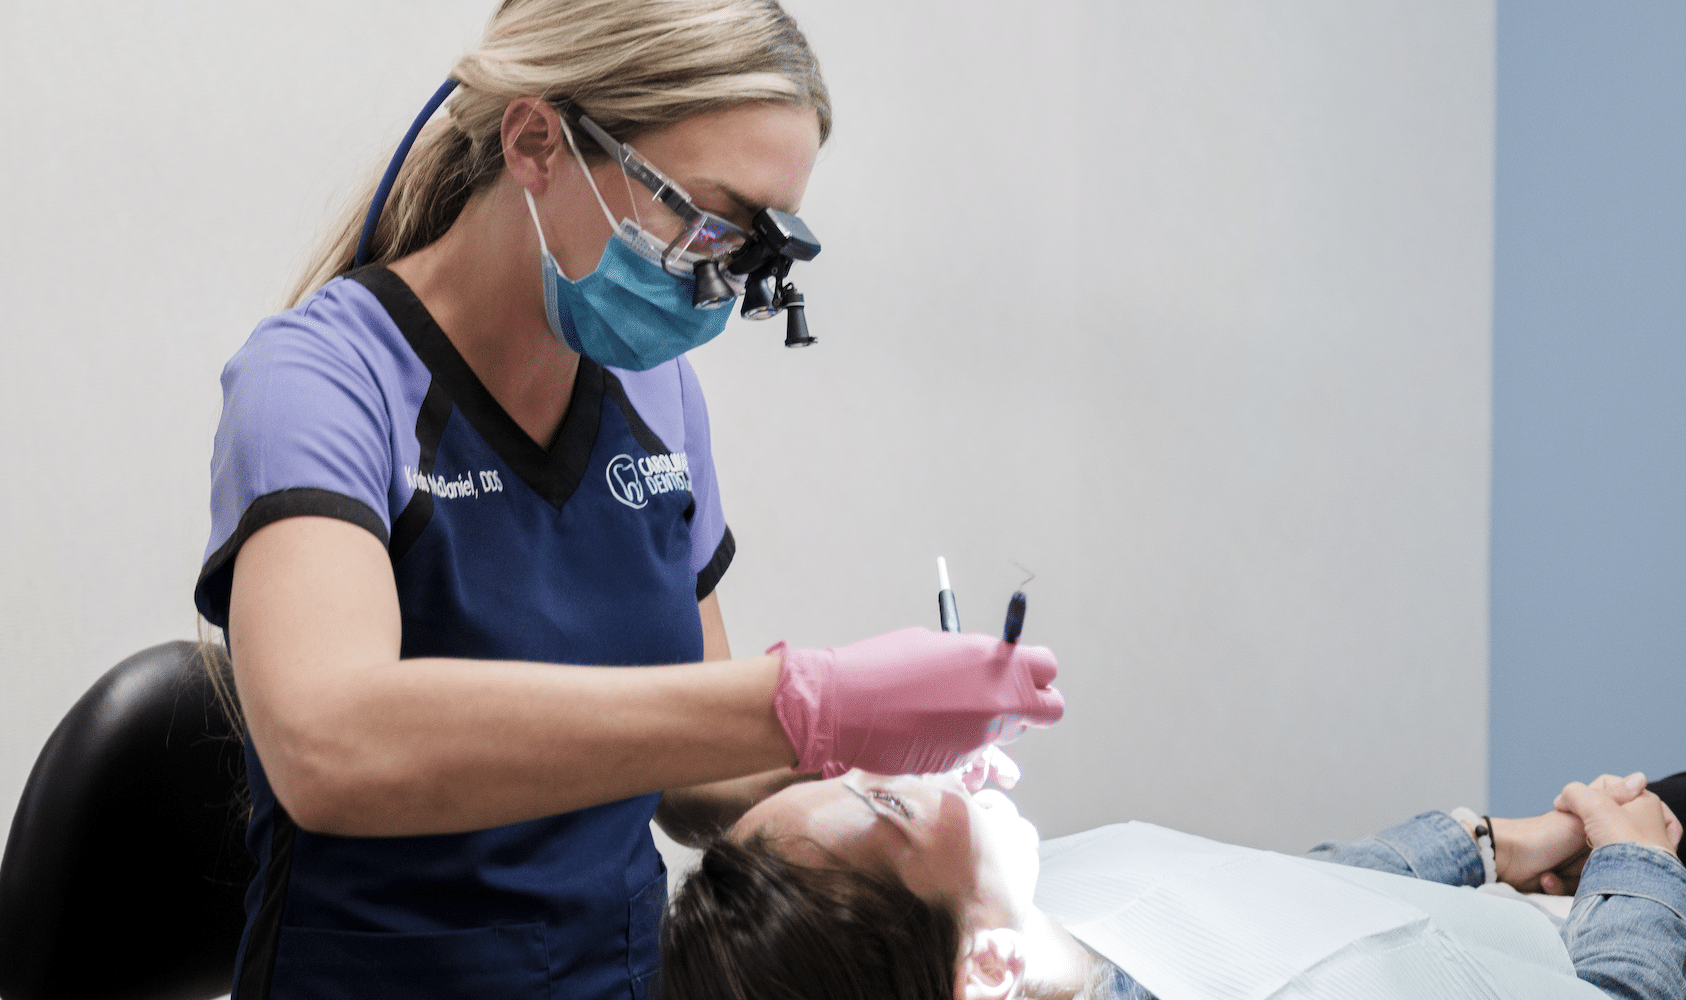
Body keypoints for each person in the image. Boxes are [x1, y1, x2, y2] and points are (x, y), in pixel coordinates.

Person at [190, 2, 1064, 998]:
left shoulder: (653, 392)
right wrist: (807, 701)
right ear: (534, 143)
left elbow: (695, 781)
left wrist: (876, 770)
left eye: (750, 251)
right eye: (705, 223)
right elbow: (329, 746)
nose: (714, 288)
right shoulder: (321, 380)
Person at [661, 768, 1686, 1000]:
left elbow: (1268, 892)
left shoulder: (1043, 918)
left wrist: (1481, 841)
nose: (931, 767)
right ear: (985, 964)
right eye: (890, 803)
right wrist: (1641, 870)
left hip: (1535, 897)